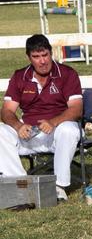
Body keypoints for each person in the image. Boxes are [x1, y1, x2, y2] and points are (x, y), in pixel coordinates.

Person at [0, 34, 82, 201]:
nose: (42, 61)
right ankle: (20, 187)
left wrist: (53, 122)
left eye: (45, 55)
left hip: (57, 131)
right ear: (29, 57)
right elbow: (6, 111)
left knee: (68, 129)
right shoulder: (19, 76)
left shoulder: (67, 74)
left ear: (51, 53)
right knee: (1, 131)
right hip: (28, 133)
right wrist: (18, 126)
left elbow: (77, 109)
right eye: (36, 57)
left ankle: (58, 187)